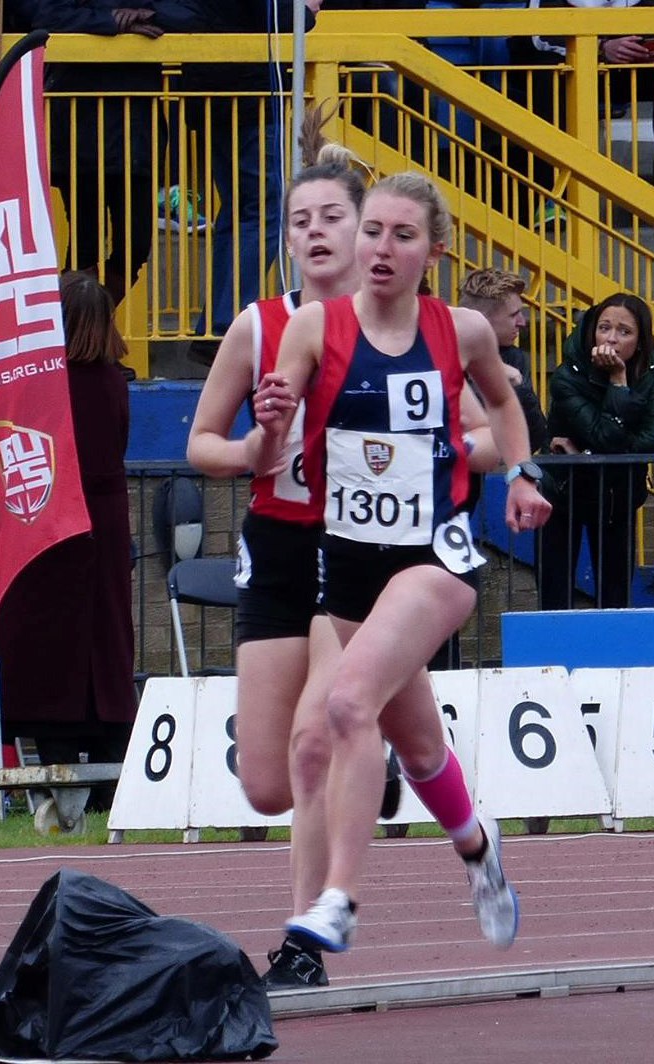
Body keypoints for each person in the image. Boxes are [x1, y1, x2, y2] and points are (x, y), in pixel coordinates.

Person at [188, 116, 500, 985]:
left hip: (367, 551)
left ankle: (303, 942)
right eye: (302, 221)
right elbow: (202, 445)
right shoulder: (261, 327)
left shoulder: (409, 328)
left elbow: (483, 431)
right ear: (287, 239)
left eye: (335, 217)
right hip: (278, 548)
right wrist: (254, 450)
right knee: (266, 782)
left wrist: (431, 451)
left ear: (367, 233)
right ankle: (418, 785)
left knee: (318, 737)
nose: (318, 233)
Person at [248, 171, 551, 953]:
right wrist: (271, 423)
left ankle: (338, 900)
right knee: (416, 746)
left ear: (433, 252)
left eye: (402, 235)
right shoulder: (313, 328)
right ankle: (478, 847)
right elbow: (271, 452)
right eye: (372, 231)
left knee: (348, 704)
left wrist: (521, 475)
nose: (381, 248)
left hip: (435, 557)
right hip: (350, 562)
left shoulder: (462, 332)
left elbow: (505, 404)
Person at [0, 272, 136, 806]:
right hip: (107, 521)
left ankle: (61, 765)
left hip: (55, 520)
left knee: (55, 647)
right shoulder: (115, 379)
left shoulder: (45, 385)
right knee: (106, 639)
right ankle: (109, 772)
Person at [151, 0, 322, 367]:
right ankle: (225, 325)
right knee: (264, 209)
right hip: (249, 96)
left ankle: (214, 328)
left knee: (238, 212)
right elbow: (274, 16)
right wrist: (304, 12)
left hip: (208, 93)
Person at [507, 0, 654, 220]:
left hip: (621, 71)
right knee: (547, 71)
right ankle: (550, 197)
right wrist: (600, 48)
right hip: (569, 70)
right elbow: (537, 36)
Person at [32, 2, 168, 308]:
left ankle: (90, 322)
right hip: (79, 124)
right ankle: (78, 327)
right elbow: (46, 14)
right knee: (85, 245)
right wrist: (110, 21)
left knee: (135, 246)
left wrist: (146, 15)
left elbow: (185, 12)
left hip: (135, 125)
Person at [539, 292, 654, 609]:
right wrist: (611, 442)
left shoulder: (652, 369)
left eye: (624, 331)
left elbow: (653, 438)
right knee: (555, 597)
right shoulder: (567, 376)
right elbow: (606, 437)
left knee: (615, 597)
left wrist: (619, 380)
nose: (611, 339)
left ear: (640, 342)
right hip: (564, 493)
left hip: (617, 495)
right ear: (592, 331)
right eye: (604, 327)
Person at [457, 267, 548, 453]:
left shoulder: (512, 357)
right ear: (481, 321)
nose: (522, 322)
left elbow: (535, 438)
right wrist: (491, 376)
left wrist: (519, 388)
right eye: (513, 315)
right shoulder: (438, 353)